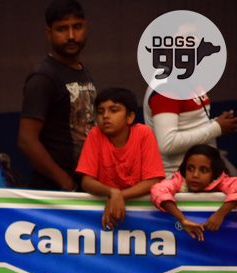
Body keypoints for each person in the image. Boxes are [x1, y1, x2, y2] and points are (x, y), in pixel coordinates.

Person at [18, 0, 96, 191]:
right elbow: (27, 140)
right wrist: (65, 182)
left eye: (77, 27)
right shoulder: (43, 77)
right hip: (56, 191)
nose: (71, 36)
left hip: (84, 183)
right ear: (49, 33)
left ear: (86, 27)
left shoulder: (80, 70)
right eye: (62, 29)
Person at [76, 87, 164, 230]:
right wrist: (112, 192)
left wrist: (119, 196)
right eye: (100, 112)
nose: (105, 116)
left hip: (143, 215)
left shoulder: (144, 133)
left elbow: (153, 180)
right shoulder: (95, 134)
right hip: (101, 215)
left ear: (130, 117)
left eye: (113, 110)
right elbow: (86, 182)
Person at [144, 88, 237, 178]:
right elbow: (168, 143)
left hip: (205, 170)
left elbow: (193, 125)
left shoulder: (189, 81)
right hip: (180, 177)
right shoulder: (165, 92)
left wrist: (219, 123)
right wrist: (216, 128)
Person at [151, 144, 237, 241]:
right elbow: (158, 190)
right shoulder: (180, 180)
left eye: (203, 170)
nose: (195, 175)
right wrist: (182, 219)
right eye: (190, 169)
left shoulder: (222, 181)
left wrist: (220, 214)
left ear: (214, 173)